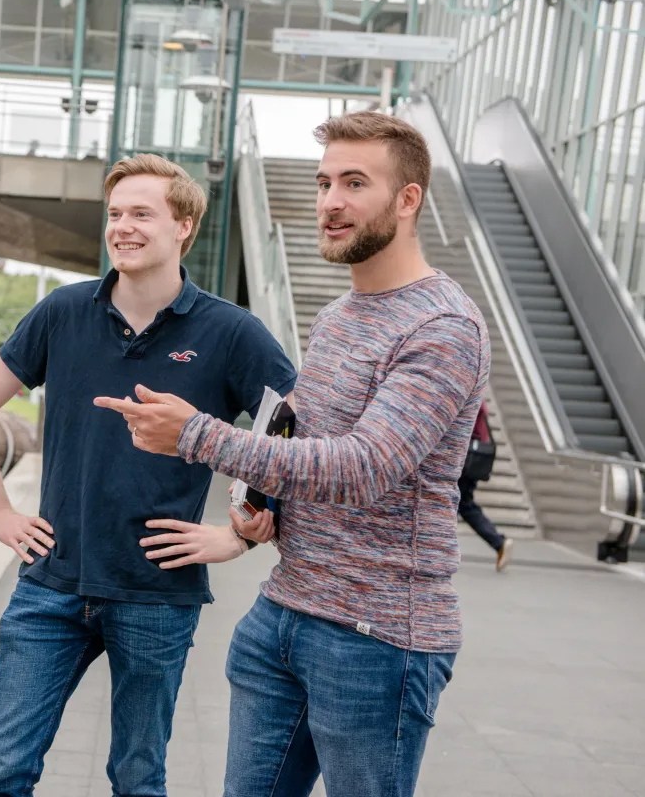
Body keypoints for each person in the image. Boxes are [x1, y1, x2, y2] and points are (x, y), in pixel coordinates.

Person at [97, 112, 491, 797]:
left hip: (376, 639)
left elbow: (364, 467)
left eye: (355, 183)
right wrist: (263, 508)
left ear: (407, 200)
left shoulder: (444, 327)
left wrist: (197, 435)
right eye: (323, 182)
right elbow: (303, 442)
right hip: (284, 614)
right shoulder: (339, 315)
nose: (331, 202)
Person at [0, 153, 297, 797]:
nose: (124, 227)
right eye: (115, 214)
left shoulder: (230, 331)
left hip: (156, 594)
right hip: (50, 587)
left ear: (184, 225)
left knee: (137, 778)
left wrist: (242, 535)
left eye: (143, 213)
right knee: (2, 773)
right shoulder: (62, 313)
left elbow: (293, 423)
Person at [459, 400, 513, 572]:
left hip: (465, 459)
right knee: (463, 505)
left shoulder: (471, 396)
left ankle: (498, 542)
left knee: (462, 505)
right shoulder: (478, 397)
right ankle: (498, 542)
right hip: (472, 459)